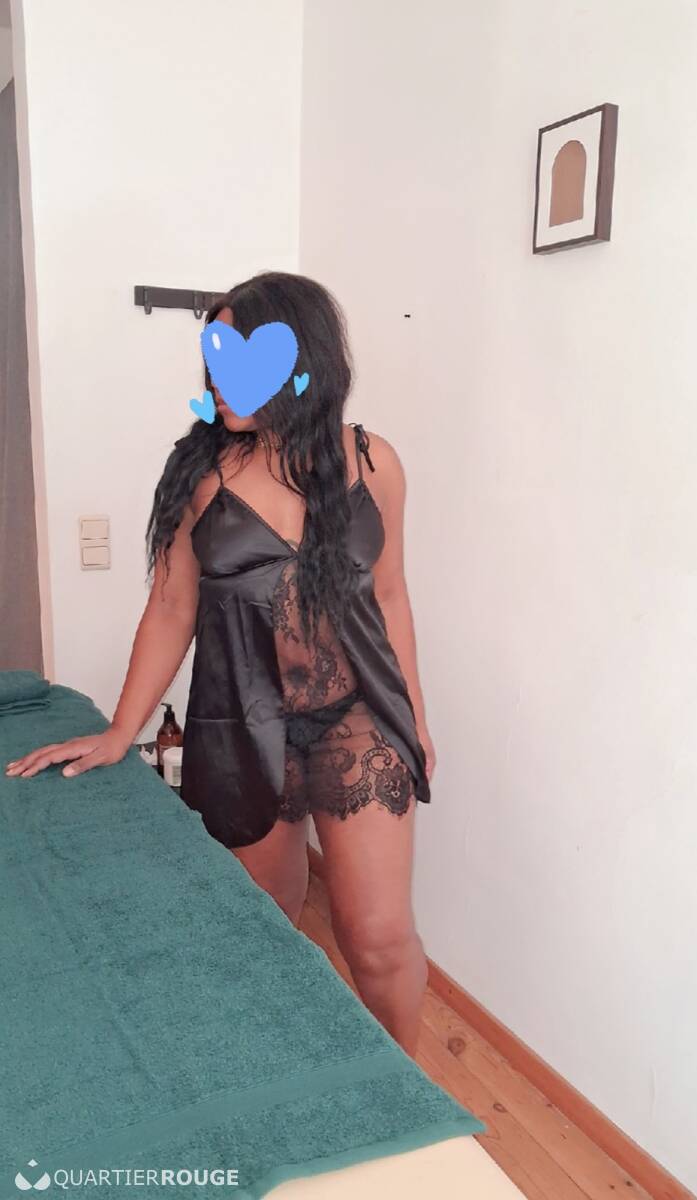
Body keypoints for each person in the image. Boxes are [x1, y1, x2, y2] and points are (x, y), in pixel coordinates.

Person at [4, 271, 436, 1056]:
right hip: (240, 718)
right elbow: (171, 608)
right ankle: (284, 1069)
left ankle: (411, 1097)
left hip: (357, 720)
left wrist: (415, 718)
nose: (218, 382)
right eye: (214, 362)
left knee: (376, 940)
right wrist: (119, 731)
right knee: (261, 928)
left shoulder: (372, 462)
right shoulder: (202, 474)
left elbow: (391, 595)